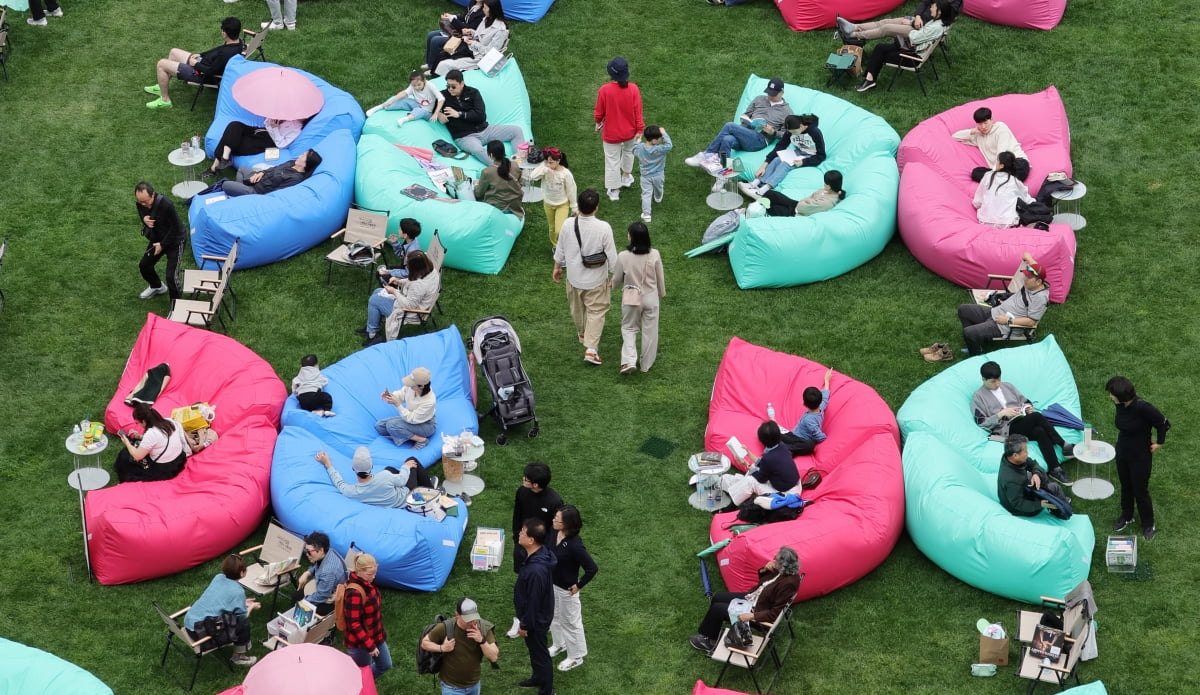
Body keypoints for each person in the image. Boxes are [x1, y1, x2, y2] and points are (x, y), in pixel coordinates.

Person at [971, 361, 1074, 484]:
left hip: (1022, 421)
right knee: (1036, 417)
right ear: (983, 379)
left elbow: (1025, 401)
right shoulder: (978, 397)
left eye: (999, 379)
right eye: (993, 381)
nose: (997, 384)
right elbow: (981, 422)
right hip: (1006, 430)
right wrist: (1001, 414)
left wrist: (1028, 408)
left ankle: (1055, 469)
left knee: (1040, 431)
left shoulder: (1008, 386)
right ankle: (1063, 445)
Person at [689, 547, 801, 654]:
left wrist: (751, 616)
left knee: (717, 609)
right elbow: (763, 583)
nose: (773, 558)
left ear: (783, 565)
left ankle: (711, 642)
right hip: (754, 598)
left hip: (756, 610)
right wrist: (765, 569)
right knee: (718, 597)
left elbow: (774, 614)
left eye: (776, 559)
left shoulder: (788, 584)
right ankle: (712, 630)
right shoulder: (783, 572)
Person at [552, 189, 618, 366]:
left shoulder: (567, 224)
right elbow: (612, 256)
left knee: (577, 308)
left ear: (578, 206)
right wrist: (616, 276)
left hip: (574, 277)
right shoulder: (604, 228)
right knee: (596, 312)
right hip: (597, 280)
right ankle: (591, 349)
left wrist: (557, 266)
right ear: (596, 208)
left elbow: (561, 248)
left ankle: (582, 332)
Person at [1107, 376, 1170, 540]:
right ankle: (1127, 516)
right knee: (1126, 486)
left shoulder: (1143, 407)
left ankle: (1149, 524)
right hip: (1122, 452)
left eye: (1112, 394)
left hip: (1140, 457)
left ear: (1122, 395)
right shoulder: (1119, 404)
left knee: (1140, 491)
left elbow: (1163, 422)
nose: (1110, 396)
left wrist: (1160, 442)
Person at [847, 1, 955, 92]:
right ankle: (869, 79)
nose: (931, 8)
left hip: (911, 58)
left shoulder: (935, 27)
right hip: (914, 51)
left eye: (933, 7)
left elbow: (914, 37)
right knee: (880, 47)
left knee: (880, 51)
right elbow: (921, 34)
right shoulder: (940, 23)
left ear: (939, 12)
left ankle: (869, 80)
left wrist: (911, 24)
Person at [507, 462, 563, 638]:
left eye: (527, 478)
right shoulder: (522, 492)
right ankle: (519, 618)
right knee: (522, 585)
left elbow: (555, 531)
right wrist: (517, 538)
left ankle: (535, 619)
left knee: (538, 589)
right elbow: (517, 515)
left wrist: (543, 550)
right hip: (522, 546)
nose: (523, 479)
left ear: (536, 484)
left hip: (541, 553)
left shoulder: (554, 501)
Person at [957, 252, 1049, 355]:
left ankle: (977, 355)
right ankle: (976, 341)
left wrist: (1008, 321)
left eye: (1028, 278)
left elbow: (1031, 322)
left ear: (1038, 282)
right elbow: (1034, 265)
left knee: (968, 333)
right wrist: (1028, 257)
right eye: (1025, 276)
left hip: (1004, 325)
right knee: (963, 309)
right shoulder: (1033, 283)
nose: (1024, 279)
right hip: (996, 311)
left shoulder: (1040, 298)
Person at [685, 78, 792, 166]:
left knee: (729, 125)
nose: (770, 96)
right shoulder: (759, 99)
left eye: (773, 94)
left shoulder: (787, 112)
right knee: (726, 139)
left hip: (760, 139)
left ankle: (707, 154)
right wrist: (746, 118)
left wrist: (773, 132)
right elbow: (747, 114)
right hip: (745, 133)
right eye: (769, 93)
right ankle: (723, 174)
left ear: (782, 92)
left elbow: (786, 135)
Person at [145, 17, 243, 109]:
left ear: (225, 33)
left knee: (161, 64)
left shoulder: (226, 53)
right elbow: (217, 50)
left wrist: (195, 64)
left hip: (202, 74)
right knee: (173, 52)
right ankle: (161, 86)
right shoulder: (237, 43)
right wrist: (200, 55)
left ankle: (165, 100)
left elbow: (211, 72)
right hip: (203, 62)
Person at [437, 69, 528, 167]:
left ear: (462, 83)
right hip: (465, 137)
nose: (450, 89)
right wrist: (438, 114)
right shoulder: (442, 96)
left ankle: (521, 163)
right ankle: (503, 169)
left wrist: (459, 114)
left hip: (485, 129)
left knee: (516, 130)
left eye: (453, 86)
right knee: (477, 150)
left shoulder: (473, 93)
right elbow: (427, 105)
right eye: (448, 86)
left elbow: (480, 115)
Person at [183, 554, 260, 667]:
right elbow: (243, 616)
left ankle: (236, 652)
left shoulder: (218, 577)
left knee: (232, 616)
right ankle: (239, 657)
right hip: (200, 633)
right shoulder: (238, 592)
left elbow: (221, 599)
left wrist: (241, 602)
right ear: (242, 573)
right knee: (243, 623)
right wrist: (252, 607)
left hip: (189, 623)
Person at [548, 505, 597, 673]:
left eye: (557, 519)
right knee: (553, 616)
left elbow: (592, 568)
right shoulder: (554, 532)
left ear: (567, 524)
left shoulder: (575, 545)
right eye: (555, 516)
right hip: (552, 584)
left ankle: (576, 657)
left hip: (566, 590)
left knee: (571, 623)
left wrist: (578, 585)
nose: (553, 520)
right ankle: (559, 644)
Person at [612, 222, 666, 374]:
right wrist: (661, 293)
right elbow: (660, 277)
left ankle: (629, 360)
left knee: (629, 328)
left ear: (632, 237)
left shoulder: (623, 256)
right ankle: (646, 365)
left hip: (631, 298)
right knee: (650, 331)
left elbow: (616, 278)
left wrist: (614, 286)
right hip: (651, 297)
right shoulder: (655, 254)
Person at [421, 597, 500, 695]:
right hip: (451, 687)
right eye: (468, 619)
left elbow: (494, 657)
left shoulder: (483, 627)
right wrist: (442, 648)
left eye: (474, 618)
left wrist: (481, 640)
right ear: (457, 615)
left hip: (474, 684)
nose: (472, 622)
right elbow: (425, 643)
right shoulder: (445, 627)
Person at [513, 518, 556, 695]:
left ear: (531, 540)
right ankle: (538, 678)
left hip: (536, 621)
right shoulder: (540, 554)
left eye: (523, 532)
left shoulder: (536, 570)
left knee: (541, 655)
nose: (519, 534)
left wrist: (525, 625)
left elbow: (534, 601)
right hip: (537, 616)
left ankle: (547, 691)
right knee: (535, 652)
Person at [361, 249, 440, 345]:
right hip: (416, 302)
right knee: (377, 291)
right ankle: (372, 327)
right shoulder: (431, 271)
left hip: (411, 312)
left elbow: (409, 305)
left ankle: (373, 335)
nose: (407, 267)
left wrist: (394, 291)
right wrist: (399, 281)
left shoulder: (419, 285)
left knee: (374, 300)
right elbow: (414, 280)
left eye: (409, 266)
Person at [739, 114, 826, 199]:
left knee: (786, 164)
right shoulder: (790, 131)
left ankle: (763, 190)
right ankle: (755, 183)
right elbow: (780, 146)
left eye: (794, 132)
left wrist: (803, 162)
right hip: (799, 151)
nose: (792, 134)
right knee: (777, 159)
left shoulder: (815, 132)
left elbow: (821, 155)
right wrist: (764, 165)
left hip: (811, 155)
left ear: (802, 126)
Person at [594, 57, 644, 202]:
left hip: (611, 134)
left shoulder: (605, 90)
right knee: (629, 153)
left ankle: (614, 190)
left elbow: (599, 112)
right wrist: (640, 129)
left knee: (612, 161)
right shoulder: (633, 88)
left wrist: (598, 123)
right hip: (630, 132)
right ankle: (626, 177)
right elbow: (638, 111)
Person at [316, 447, 434, 508]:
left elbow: (339, 483)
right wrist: (406, 466)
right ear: (372, 466)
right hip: (406, 496)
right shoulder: (384, 477)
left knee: (389, 469)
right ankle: (431, 490)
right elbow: (402, 479)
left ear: (353, 469)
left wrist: (328, 464)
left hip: (390, 499)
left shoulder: (353, 491)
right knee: (412, 460)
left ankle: (420, 482)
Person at [718, 421, 800, 505]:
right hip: (793, 486)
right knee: (754, 468)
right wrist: (748, 453)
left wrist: (746, 464)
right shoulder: (781, 446)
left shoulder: (769, 458)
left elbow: (761, 478)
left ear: (762, 440)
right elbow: (764, 464)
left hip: (784, 495)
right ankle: (733, 486)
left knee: (751, 480)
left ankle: (732, 501)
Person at [342, 552, 392, 680]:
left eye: (375, 573)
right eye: (370, 574)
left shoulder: (367, 584)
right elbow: (353, 623)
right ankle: (359, 686)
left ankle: (363, 682)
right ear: (358, 571)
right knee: (361, 674)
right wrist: (369, 645)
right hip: (359, 643)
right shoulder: (354, 593)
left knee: (385, 664)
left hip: (375, 636)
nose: (373, 577)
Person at [202, 118, 305, 179]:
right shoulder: (286, 115)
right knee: (234, 125)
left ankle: (214, 167)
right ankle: (225, 158)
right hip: (260, 130)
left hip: (267, 141)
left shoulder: (297, 129)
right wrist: (271, 121)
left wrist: (275, 128)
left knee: (233, 140)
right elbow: (266, 123)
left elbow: (282, 144)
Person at [134, 182, 185, 301]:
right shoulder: (142, 202)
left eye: (146, 201)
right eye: (140, 201)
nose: (143, 204)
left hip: (175, 241)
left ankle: (176, 306)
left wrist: (162, 245)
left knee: (171, 276)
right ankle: (157, 286)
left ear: (153, 195)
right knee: (144, 265)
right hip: (157, 238)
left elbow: (175, 228)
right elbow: (143, 213)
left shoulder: (166, 205)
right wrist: (144, 219)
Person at [997, 435, 1070, 518]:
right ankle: (1061, 511)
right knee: (1055, 488)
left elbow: (1033, 464)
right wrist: (1039, 504)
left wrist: (1036, 474)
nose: (1027, 453)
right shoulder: (1012, 479)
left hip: (1020, 491)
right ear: (1015, 455)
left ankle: (1055, 496)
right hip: (1020, 508)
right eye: (1025, 451)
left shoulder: (1010, 458)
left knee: (1040, 474)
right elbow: (1017, 504)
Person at [115, 403, 189, 483]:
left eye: (138, 423)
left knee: (125, 455)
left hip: (165, 468)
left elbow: (137, 456)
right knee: (136, 442)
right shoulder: (168, 421)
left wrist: (126, 442)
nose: (139, 425)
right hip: (178, 459)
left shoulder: (151, 434)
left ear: (143, 421)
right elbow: (160, 440)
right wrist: (139, 437)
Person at [953, 106, 1030, 182]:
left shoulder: (1000, 128)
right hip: (1000, 171)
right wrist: (974, 131)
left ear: (991, 120)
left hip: (1015, 163)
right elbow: (955, 136)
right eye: (980, 124)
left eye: (986, 123)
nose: (983, 127)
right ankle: (1004, 181)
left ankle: (1000, 181)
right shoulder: (978, 136)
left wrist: (994, 173)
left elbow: (1001, 153)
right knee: (976, 172)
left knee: (1019, 168)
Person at [435, 0, 509, 76]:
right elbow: (479, 34)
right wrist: (471, 31)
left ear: (493, 10)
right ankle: (434, 73)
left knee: (444, 63)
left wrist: (473, 43)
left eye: (485, 8)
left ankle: (439, 80)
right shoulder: (487, 19)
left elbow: (491, 52)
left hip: (479, 57)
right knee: (444, 54)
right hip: (471, 48)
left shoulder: (500, 30)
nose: (483, 9)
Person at [374, 367, 437, 448]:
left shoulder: (429, 401)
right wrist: (391, 395)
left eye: (412, 384)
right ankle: (404, 435)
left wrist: (397, 404)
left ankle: (421, 440)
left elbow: (412, 419)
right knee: (380, 426)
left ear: (421, 386)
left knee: (392, 425)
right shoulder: (412, 388)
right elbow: (403, 394)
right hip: (411, 419)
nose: (409, 385)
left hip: (425, 424)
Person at [527, 147, 578, 247]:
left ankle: (562, 245)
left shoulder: (565, 174)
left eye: (551, 162)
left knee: (559, 229)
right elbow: (532, 176)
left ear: (558, 160)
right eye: (546, 162)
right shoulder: (545, 168)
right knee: (552, 227)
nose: (548, 164)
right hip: (548, 203)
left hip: (562, 204)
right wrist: (545, 169)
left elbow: (571, 190)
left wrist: (574, 206)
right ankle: (556, 246)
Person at [222, 149, 322, 197]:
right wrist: (260, 173)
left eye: (303, 156)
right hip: (258, 179)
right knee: (242, 168)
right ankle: (239, 192)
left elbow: (276, 193)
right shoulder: (291, 162)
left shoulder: (295, 178)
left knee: (225, 185)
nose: (300, 155)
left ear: (306, 163)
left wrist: (258, 194)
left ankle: (242, 193)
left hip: (257, 191)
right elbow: (275, 168)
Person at [972, 151, 1035, 227]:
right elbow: (1027, 200)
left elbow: (977, 201)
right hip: (1007, 222)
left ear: (1001, 165)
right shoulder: (1015, 181)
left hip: (985, 220)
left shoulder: (988, 176)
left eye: (997, 161)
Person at [780, 368, 833, 456]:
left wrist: (824, 437)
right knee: (790, 441)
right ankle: (787, 450)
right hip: (796, 437)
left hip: (798, 438)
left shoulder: (809, 420)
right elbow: (825, 396)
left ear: (804, 403)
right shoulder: (821, 406)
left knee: (809, 445)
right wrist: (827, 382)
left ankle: (785, 449)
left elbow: (818, 435)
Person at [292, 531, 346, 616]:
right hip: (326, 588)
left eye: (309, 552)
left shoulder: (328, 572)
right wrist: (307, 573)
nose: (307, 554)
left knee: (297, 598)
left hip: (331, 600)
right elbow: (317, 565)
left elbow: (321, 596)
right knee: (297, 596)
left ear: (321, 550)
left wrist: (302, 603)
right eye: (306, 551)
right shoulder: (329, 552)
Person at [424, 0, 486, 73]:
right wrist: (454, 16)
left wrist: (452, 19)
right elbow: (466, 16)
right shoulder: (473, 2)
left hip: (466, 38)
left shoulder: (483, 12)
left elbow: (468, 28)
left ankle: (432, 68)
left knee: (436, 40)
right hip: (458, 31)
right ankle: (429, 63)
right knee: (431, 34)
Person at [367, 70, 446, 125]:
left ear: (424, 81)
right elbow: (404, 93)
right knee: (404, 100)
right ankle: (379, 107)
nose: (416, 87)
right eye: (414, 85)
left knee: (420, 111)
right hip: (417, 104)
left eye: (419, 85)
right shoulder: (412, 86)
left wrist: (435, 113)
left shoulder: (430, 86)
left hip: (427, 111)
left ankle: (405, 119)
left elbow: (441, 99)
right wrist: (391, 101)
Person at [760, 170, 847, 217]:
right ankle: (758, 204)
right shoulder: (825, 190)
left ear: (829, 185)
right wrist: (804, 201)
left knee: (772, 207)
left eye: (825, 182)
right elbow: (811, 196)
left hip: (798, 213)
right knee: (770, 194)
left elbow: (804, 208)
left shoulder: (828, 202)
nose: (823, 184)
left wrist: (804, 202)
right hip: (798, 204)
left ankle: (757, 209)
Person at [631, 126, 672, 223]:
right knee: (659, 187)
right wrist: (664, 133)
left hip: (645, 176)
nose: (661, 139)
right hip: (658, 175)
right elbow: (669, 145)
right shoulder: (661, 149)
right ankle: (658, 197)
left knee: (646, 195)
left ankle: (646, 215)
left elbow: (633, 150)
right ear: (654, 140)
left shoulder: (640, 147)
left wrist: (637, 141)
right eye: (660, 138)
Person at [474, 140, 524, 218]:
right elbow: (520, 184)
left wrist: (476, 185)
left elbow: (479, 193)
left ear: (491, 155)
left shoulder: (487, 172)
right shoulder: (515, 165)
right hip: (515, 206)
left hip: (498, 208)